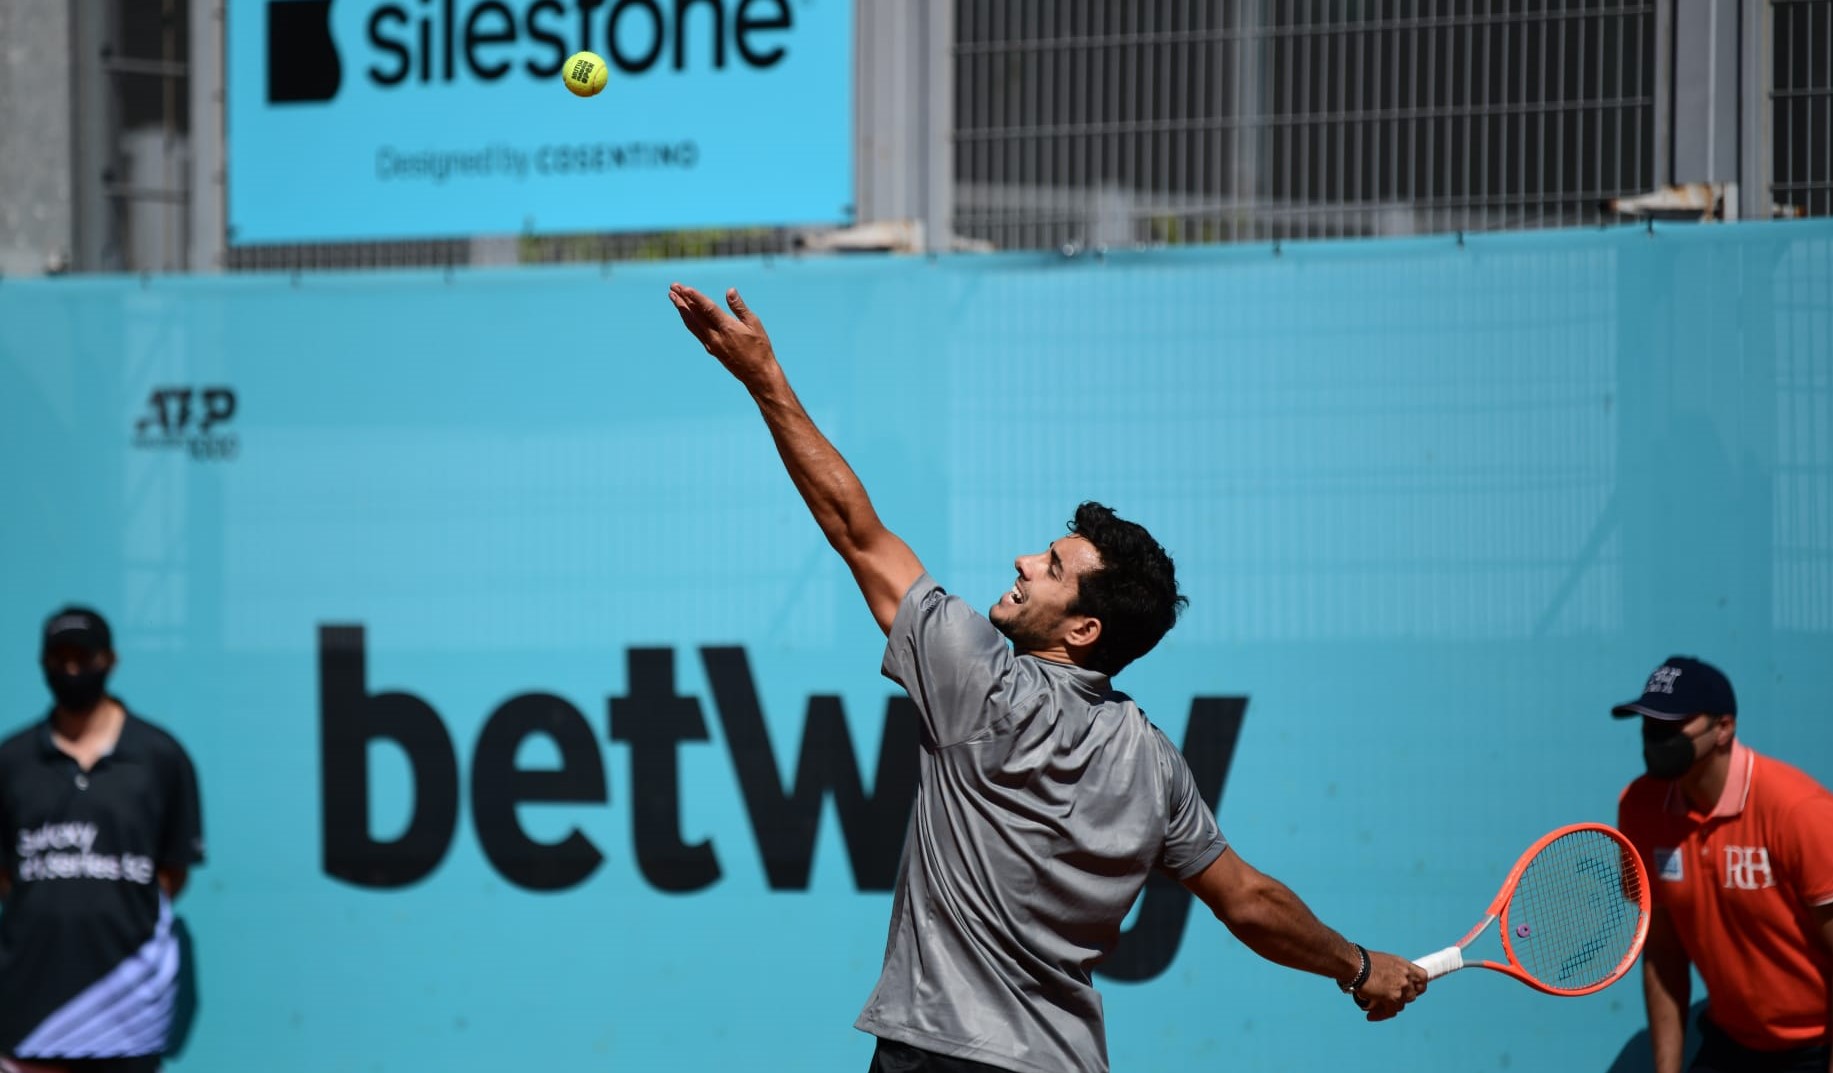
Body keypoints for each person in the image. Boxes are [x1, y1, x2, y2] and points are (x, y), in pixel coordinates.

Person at [667, 283, 1426, 1073]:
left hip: (938, 1055)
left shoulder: (977, 683)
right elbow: (1248, 900)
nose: (1026, 561)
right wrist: (1358, 964)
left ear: (1081, 629)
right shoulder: (1155, 762)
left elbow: (853, 528)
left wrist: (764, 378)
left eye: (1052, 566)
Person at [0, 607, 205, 1073]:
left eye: (83, 657)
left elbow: (174, 871)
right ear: (42, 662)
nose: (71, 670)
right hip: (29, 999)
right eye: (60, 658)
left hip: (125, 1002)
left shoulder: (160, 758)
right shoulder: (12, 761)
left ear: (109, 660)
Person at [1612, 655, 1833, 1073]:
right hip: (1730, 1042)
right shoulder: (1638, 807)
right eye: (1648, 725)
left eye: (1671, 726)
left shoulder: (1799, 811)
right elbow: (1663, 951)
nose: (1655, 738)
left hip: (1815, 1045)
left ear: (1724, 729)